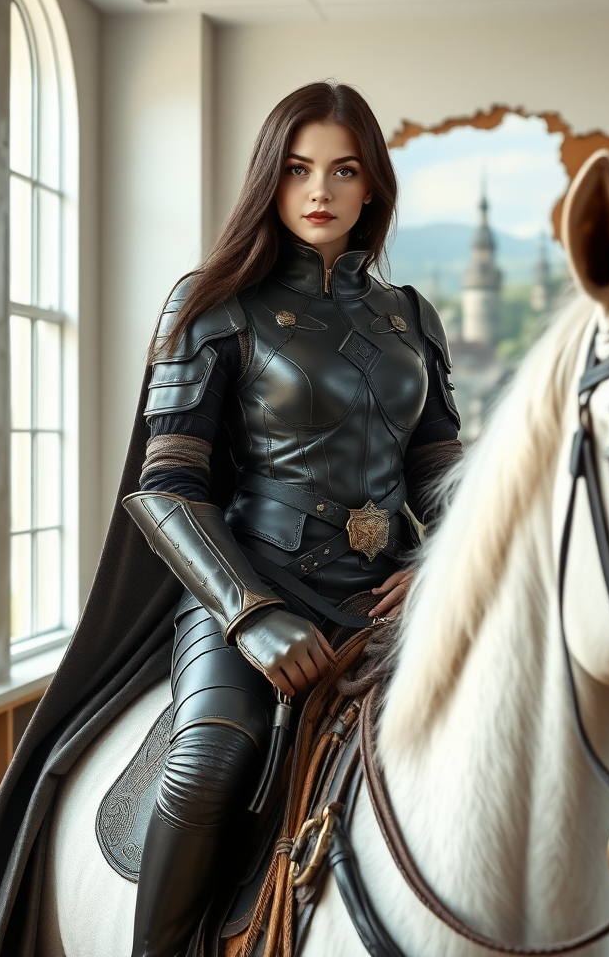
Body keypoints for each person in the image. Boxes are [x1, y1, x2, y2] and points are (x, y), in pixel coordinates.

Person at [119, 81, 462, 957]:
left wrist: (443, 561)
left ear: (372, 186)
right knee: (207, 766)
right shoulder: (210, 301)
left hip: (386, 600)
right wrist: (250, 612)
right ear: (270, 179)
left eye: (344, 170)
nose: (321, 190)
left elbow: (438, 469)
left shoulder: (410, 317)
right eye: (300, 168)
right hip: (246, 597)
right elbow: (166, 487)